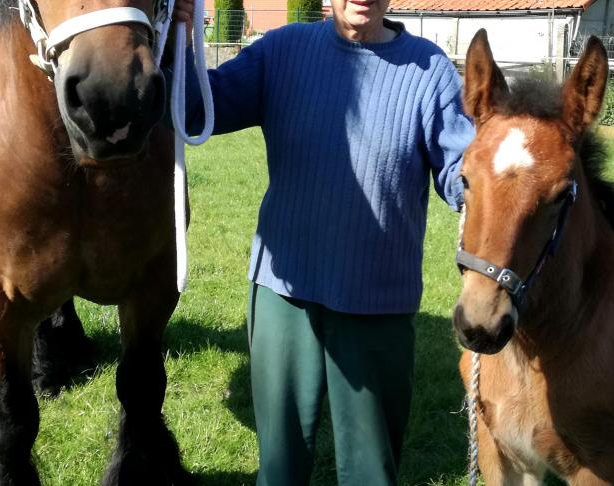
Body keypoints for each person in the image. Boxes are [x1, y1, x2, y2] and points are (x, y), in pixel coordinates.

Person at [176, 0, 475, 483]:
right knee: (279, 467)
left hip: (376, 301)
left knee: (370, 471)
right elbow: (194, 109)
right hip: (282, 292)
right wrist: (177, 42)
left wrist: (510, 182)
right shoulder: (283, 50)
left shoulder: (429, 70)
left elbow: (464, 173)